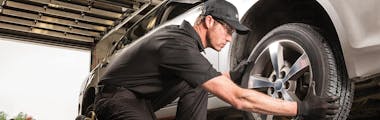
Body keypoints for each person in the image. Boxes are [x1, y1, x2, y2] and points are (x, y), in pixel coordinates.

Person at [94, 0, 339, 120]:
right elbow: (238, 98)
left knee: (200, 83)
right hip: (115, 100)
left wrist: (233, 76)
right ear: (208, 20)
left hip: (143, 101)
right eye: (228, 30)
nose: (230, 39)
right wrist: (300, 108)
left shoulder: (187, 47)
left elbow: (208, 80)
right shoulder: (176, 44)